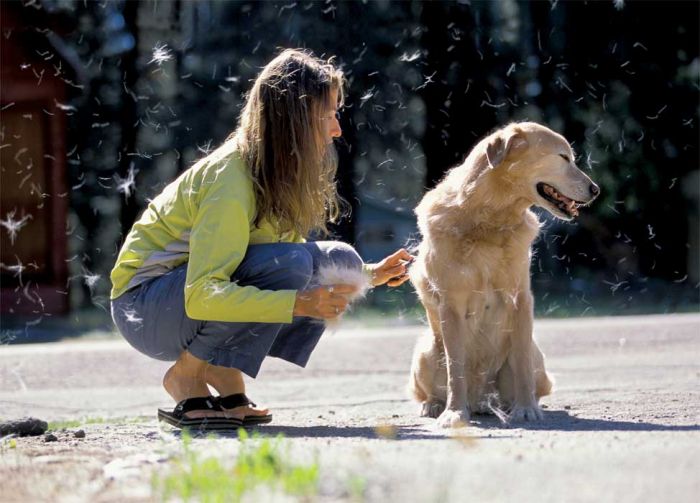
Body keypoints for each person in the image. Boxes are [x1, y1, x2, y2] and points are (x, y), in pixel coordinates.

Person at [109, 49, 412, 430]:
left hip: (173, 302)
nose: (337, 129)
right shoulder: (230, 180)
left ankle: (221, 371)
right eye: (329, 114)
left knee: (338, 259)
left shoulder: (272, 172)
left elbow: (279, 257)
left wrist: (368, 274)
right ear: (295, 118)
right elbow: (204, 292)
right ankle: (186, 375)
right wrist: (298, 303)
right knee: (296, 266)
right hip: (144, 307)